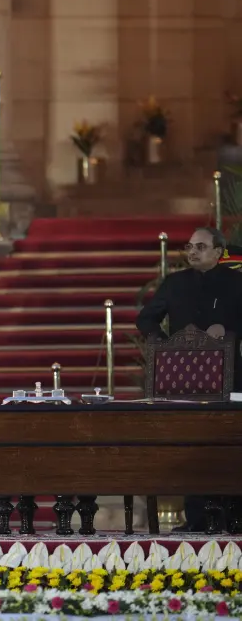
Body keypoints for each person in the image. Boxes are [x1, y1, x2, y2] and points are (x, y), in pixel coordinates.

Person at [136, 226, 242, 532]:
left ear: (219, 252)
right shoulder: (175, 282)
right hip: (187, 379)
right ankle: (197, 519)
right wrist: (168, 346)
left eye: (200, 246)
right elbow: (146, 318)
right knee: (194, 445)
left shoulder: (237, 282)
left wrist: (229, 332)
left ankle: (233, 517)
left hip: (232, 375)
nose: (192, 251)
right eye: (189, 246)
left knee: (228, 445)